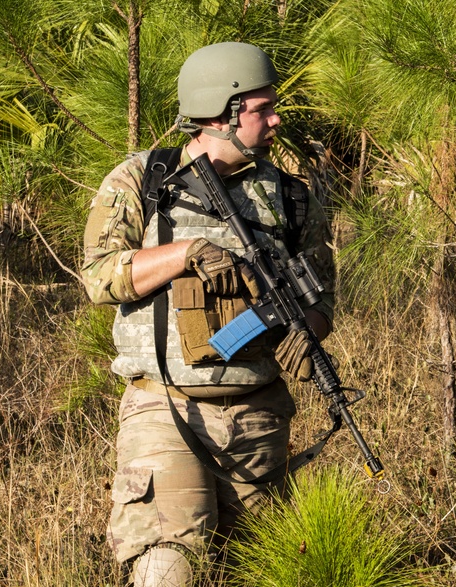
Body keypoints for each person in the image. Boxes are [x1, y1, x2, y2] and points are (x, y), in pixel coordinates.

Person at [81, 42, 335, 587]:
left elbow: (322, 298)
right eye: (263, 108)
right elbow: (99, 278)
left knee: (256, 570)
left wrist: (308, 334)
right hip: (166, 411)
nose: (276, 119)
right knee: (168, 569)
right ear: (223, 112)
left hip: (258, 415)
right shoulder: (141, 182)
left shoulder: (290, 198)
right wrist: (184, 253)